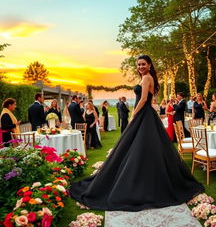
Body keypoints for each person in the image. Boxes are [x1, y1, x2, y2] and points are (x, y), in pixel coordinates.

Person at [70, 55, 204, 211]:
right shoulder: (145, 77)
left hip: (144, 114)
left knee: (141, 145)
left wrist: (134, 114)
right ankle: (139, 177)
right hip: (145, 114)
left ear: (149, 65)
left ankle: (142, 182)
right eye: (138, 64)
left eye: (143, 64)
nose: (140, 66)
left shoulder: (147, 78)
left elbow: (144, 99)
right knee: (136, 146)